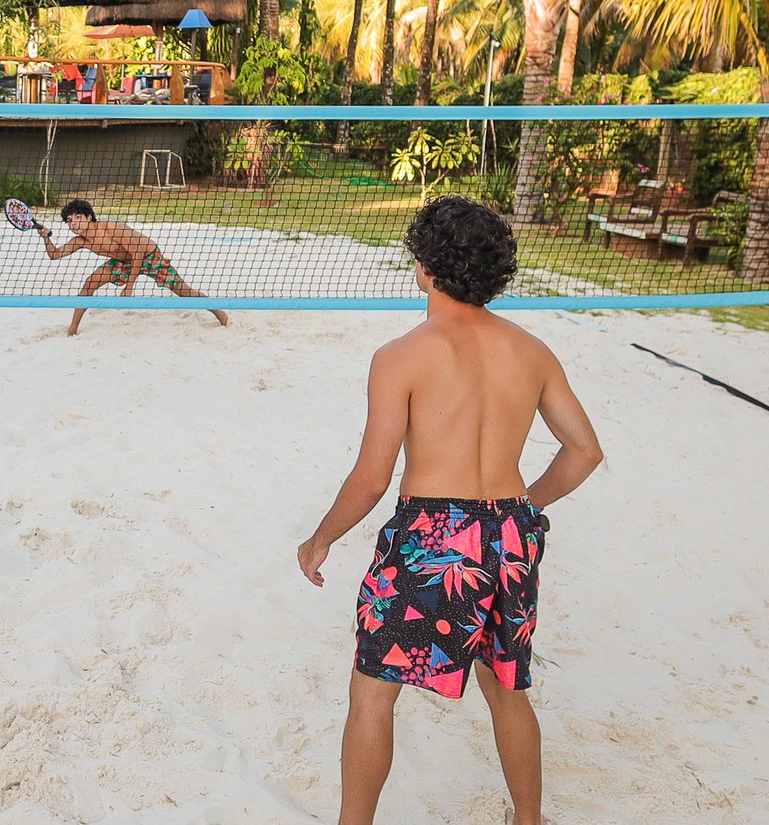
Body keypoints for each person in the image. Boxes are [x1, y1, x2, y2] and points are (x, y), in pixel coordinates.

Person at [295, 196, 604, 825]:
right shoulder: (532, 350)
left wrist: (320, 538)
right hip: (511, 532)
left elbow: (372, 476)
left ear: (424, 266)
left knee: (373, 693)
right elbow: (584, 452)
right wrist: (524, 507)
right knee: (507, 688)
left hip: (434, 536)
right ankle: (529, 818)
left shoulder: (402, 354)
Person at [37, 199, 230, 336]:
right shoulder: (80, 241)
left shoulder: (112, 228)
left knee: (184, 291)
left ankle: (218, 312)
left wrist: (129, 286)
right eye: (70, 220)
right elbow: (55, 255)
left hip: (148, 256)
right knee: (90, 283)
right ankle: (73, 329)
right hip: (123, 263)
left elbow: (137, 252)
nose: (74, 223)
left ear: (89, 217)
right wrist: (46, 238)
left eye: (78, 217)